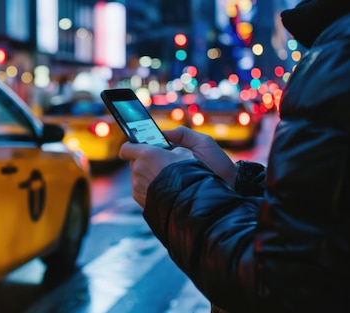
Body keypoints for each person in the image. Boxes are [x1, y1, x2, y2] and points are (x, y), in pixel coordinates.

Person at [117, 1, 350, 312]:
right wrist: (236, 181)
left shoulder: (339, 54)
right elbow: (324, 216)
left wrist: (175, 189)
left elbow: (279, 287)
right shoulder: (336, 45)